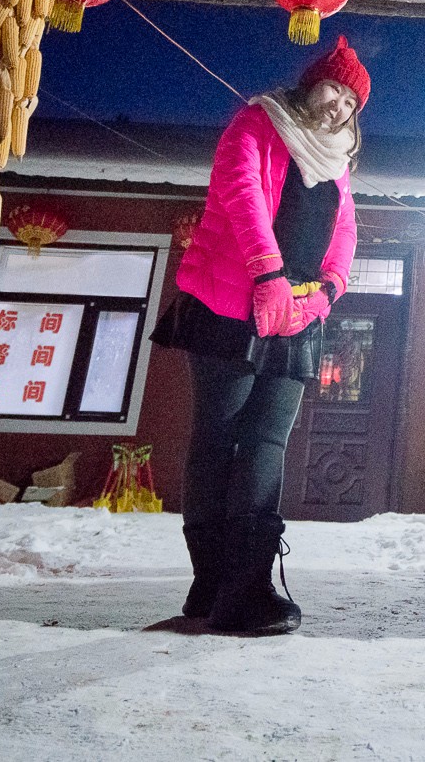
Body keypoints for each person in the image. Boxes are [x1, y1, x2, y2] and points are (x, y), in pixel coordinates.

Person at [151, 35, 369, 635]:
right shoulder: (257, 123)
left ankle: (249, 579)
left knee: (267, 443)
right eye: (334, 89)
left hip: (298, 316)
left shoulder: (338, 158)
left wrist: (327, 291)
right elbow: (242, 197)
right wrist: (267, 273)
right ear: (308, 85)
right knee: (218, 440)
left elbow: (344, 231)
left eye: (353, 101)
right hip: (229, 304)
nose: (341, 107)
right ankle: (214, 580)